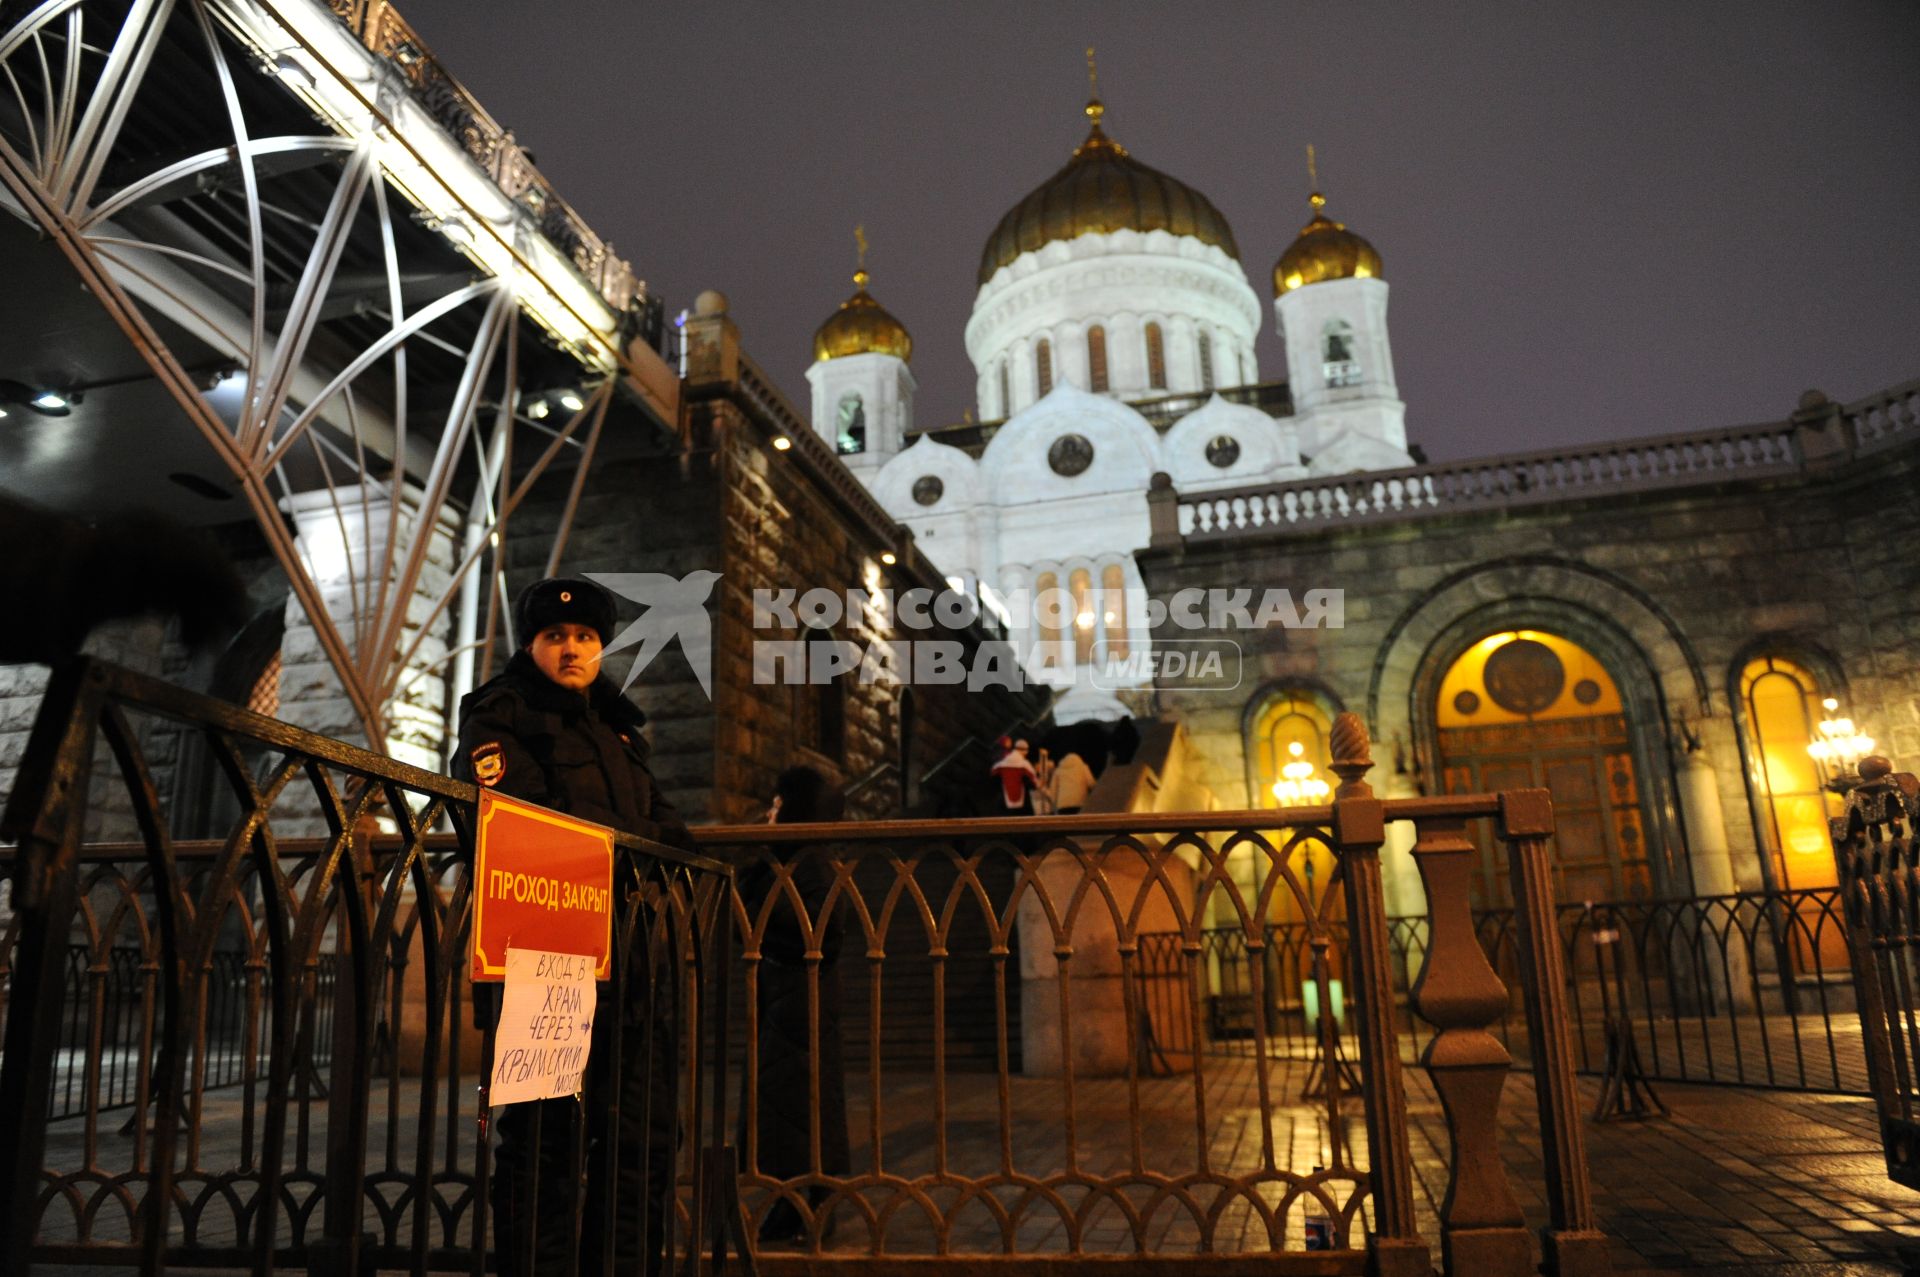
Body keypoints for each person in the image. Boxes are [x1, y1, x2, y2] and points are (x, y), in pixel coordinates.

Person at [453, 577, 690, 1277]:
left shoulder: (616, 729)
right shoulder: (501, 717)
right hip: (543, 962)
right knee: (541, 1145)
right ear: (531, 645)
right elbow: (520, 823)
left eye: (585, 637)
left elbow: (671, 830)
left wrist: (637, 838)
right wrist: (635, 838)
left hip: (631, 962)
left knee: (637, 1139)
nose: (572, 649)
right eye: (556, 637)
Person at [739, 766, 851, 1245]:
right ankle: (792, 1206)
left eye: (779, 804)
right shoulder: (796, 861)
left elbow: (809, 929)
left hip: (798, 1007)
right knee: (786, 1111)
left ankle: (809, 1210)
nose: (770, 811)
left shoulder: (811, 866)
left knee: (801, 1110)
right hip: (785, 1003)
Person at [989, 738, 1038, 813]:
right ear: (1025, 751)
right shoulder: (1025, 764)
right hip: (1022, 804)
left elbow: (993, 774)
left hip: (1005, 802)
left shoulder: (1001, 763)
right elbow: (1034, 782)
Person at [1051, 749, 1097, 815]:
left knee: (1065, 824)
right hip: (1080, 803)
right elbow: (1091, 783)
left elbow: (1053, 790)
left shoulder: (1058, 771)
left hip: (1063, 805)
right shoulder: (1083, 768)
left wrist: (1054, 806)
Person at [1031, 747, 1057, 816]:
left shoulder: (1048, 778)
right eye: (1037, 766)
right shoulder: (1033, 780)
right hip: (1039, 811)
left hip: (1048, 810)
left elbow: (1051, 796)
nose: (1038, 768)